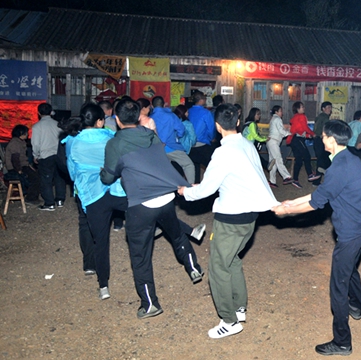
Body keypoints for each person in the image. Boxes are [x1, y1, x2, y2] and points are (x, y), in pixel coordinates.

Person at [273, 120, 361, 357]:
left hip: (353, 230)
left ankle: (342, 342)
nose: (321, 139)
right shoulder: (349, 158)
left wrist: (286, 211)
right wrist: (292, 202)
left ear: (332, 140)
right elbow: (322, 193)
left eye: (323, 136)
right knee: (349, 267)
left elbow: (316, 203)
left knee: (338, 285)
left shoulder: (338, 167)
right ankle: (357, 305)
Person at [179, 104, 279, 338]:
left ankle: (229, 320)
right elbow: (238, 177)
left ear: (217, 126)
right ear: (237, 122)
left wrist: (186, 192)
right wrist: (201, 186)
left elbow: (206, 190)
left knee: (218, 268)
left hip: (231, 218)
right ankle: (239, 307)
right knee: (232, 261)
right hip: (250, 216)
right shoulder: (247, 145)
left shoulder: (222, 152)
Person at [101, 98, 203, 319]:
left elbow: (108, 177)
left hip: (141, 204)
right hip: (166, 198)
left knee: (140, 256)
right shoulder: (150, 135)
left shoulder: (115, 144)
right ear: (138, 116)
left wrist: (105, 171)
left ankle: (150, 304)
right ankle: (193, 266)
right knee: (176, 234)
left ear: (117, 120)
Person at [63, 103, 128, 300]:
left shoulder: (72, 142)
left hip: (90, 194)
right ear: (100, 121)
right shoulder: (111, 137)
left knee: (98, 238)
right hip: (114, 190)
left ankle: (101, 283)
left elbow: (72, 172)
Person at [150, 96, 196, 184]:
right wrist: (177, 136)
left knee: (164, 170)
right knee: (188, 165)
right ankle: (190, 188)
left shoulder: (150, 117)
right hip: (171, 147)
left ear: (152, 106)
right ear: (164, 105)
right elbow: (181, 130)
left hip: (156, 149)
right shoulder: (171, 116)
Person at [32, 102, 66, 211]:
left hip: (45, 156)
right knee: (59, 178)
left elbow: (35, 143)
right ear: (51, 112)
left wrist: (35, 155)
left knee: (46, 180)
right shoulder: (57, 124)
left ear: (38, 113)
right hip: (58, 155)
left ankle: (49, 203)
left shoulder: (37, 127)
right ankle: (60, 200)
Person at [3, 125, 40, 203]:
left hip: (22, 165)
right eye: (26, 133)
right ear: (21, 133)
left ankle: (32, 196)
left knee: (37, 175)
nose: (27, 134)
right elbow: (15, 159)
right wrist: (19, 170)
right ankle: (30, 198)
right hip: (16, 167)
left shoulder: (20, 142)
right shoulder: (15, 143)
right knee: (35, 178)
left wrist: (29, 166)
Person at [287, 101, 320, 188]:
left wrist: (308, 135)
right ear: (298, 109)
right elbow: (305, 128)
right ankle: (310, 174)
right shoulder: (301, 116)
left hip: (294, 140)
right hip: (297, 140)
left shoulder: (296, 117)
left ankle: (295, 180)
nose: (303, 108)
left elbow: (300, 131)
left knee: (298, 160)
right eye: (302, 107)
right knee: (307, 156)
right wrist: (312, 134)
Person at [188, 91, 216, 182]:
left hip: (190, 146)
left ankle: (195, 186)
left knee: (194, 169)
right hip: (202, 144)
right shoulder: (206, 113)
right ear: (201, 100)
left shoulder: (189, 111)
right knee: (213, 167)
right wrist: (212, 138)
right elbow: (210, 128)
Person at [266, 105, 293, 188]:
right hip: (274, 142)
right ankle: (286, 177)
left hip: (271, 142)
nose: (282, 113)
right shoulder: (277, 119)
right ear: (276, 112)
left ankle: (272, 181)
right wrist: (290, 133)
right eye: (280, 111)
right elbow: (281, 131)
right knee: (278, 159)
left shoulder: (273, 119)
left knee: (273, 162)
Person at [313, 101, 333, 177]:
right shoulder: (325, 118)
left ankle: (318, 178)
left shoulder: (319, 117)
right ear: (323, 109)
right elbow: (326, 130)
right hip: (322, 140)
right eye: (328, 107)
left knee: (321, 159)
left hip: (317, 140)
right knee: (325, 159)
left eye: (330, 107)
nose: (330, 109)